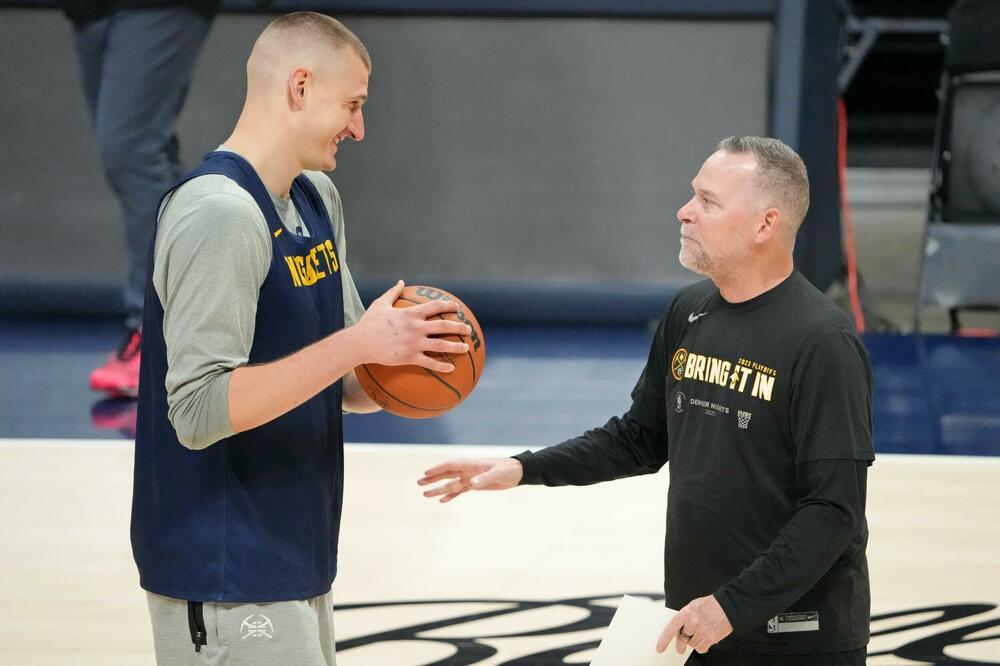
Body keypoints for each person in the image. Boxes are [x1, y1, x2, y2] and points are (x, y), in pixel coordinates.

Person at [419, 136, 875, 665]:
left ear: (765, 225)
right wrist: (522, 467)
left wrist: (731, 606)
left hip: (797, 642)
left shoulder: (823, 343)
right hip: (696, 626)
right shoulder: (690, 313)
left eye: (708, 201)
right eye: (692, 195)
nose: (684, 212)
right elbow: (639, 438)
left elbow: (833, 511)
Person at [130, 13, 471, 665]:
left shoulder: (315, 197)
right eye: (353, 104)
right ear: (300, 87)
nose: (359, 127)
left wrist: (408, 364)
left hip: (294, 556)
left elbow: (338, 381)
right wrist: (358, 345)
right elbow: (199, 412)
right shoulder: (220, 214)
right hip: (225, 576)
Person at [61, 0, 219, 397]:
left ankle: (157, 332)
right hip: (90, 10)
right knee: (148, 154)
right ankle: (200, 323)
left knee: (133, 152)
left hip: (155, 6)